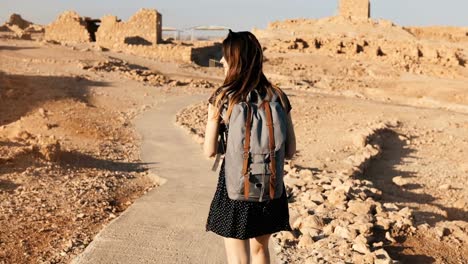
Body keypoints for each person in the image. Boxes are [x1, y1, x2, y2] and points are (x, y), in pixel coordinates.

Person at [203, 30, 297, 264]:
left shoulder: (224, 97)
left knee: (238, 257)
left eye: (225, 56)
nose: (222, 60)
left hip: (234, 184)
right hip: (270, 185)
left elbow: (209, 151)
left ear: (235, 59)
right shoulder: (278, 96)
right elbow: (290, 151)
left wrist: (214, 119)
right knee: (260, 251)